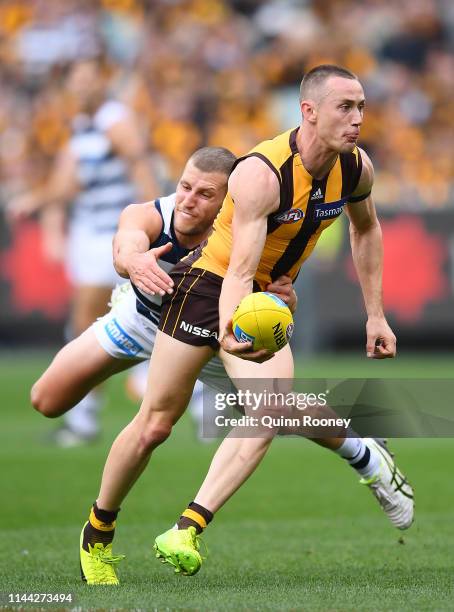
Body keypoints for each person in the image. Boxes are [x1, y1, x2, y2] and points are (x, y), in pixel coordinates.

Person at [77, 65, 414, 585]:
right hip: (210, 286)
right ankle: (97, 532)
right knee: (155, 425)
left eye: (362, 107)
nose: (357, 119)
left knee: (271, 407)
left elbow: (367, 231)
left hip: (266, 298)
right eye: (345, 108)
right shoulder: (261, 172)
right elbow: (237, 269)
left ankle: (188, 527)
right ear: (308, 112)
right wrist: (233, 328)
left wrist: (375, 313)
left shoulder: (357, 169)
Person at [9, 58, 158, 445]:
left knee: (94, 323)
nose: (82, 87)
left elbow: (140, 167)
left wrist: (154, 221)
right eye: (76, 81)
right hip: (93, 232)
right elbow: (67, 183)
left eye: (89, 79)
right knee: (91, 324)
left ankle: (89, 418)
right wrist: (40, 201)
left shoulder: (114, 119)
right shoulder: (82, 126)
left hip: (119, 232)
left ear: (102, 81)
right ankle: (89, 415)